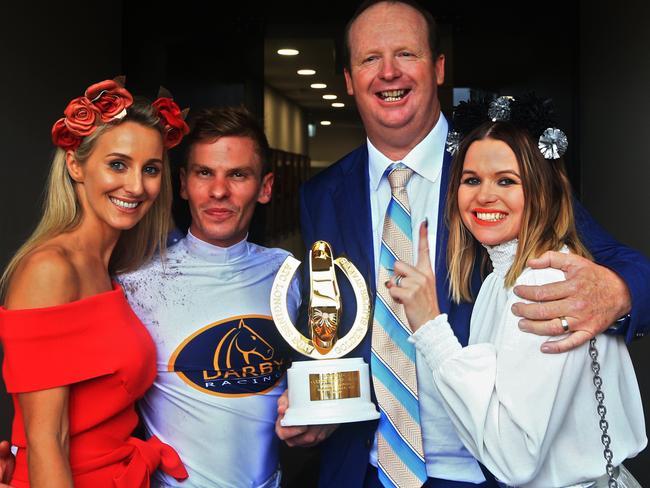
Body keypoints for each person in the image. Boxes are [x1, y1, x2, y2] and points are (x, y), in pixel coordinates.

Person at [277, 1, 650, 487]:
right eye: (370, 59)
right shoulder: (321, 194)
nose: (388, 72)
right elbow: (325, 313)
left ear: (437, 69)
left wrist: (616, 294)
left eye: (405, 54)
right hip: (363, 467)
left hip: (482, 472)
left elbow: (621, 264)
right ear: (349, 78)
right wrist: (311, 396)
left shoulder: (495, 167)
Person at [394, 95, 646, 487]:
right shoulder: (499, 280)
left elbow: (514, 458)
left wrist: (430, 328)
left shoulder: (544, 282)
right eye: (472, 179)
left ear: (541, 190)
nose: (484, 196)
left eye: (507, 180)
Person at [0, 78, 189, 487]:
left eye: (151, 169)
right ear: (75, 165)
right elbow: (47, 439)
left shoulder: (110, 269)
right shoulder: (50, 270)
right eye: (118, 164)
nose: (137, 186)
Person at [117, 106, 300, 488]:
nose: (219, 191)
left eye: (237, 174)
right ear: (183, 184)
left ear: (265, 188)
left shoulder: (290, 275)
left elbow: (313, 379)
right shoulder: (134, 284)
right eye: (205, 173)